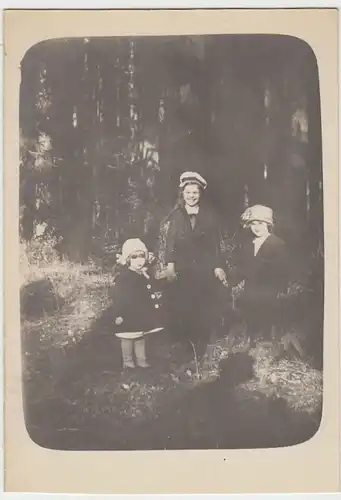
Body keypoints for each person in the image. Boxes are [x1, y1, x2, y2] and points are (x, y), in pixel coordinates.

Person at [160, 171, 228, 358]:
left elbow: (215, 243)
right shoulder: (177, 215)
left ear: (200, 194)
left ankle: (202, 342)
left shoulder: (208, 215)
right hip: (182, 268)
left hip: (203, 268)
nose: (191, 196)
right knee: (183, 304)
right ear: (182, 194)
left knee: (202, 304)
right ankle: (185, 343)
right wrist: (170, 266)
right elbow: (170, 242)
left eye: (195, 193)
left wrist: (217, 266)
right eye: (188, 193)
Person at [231, 204, 289, 348]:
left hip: (269, 287)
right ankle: (250, 338)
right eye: (253, 224)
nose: (256, 227)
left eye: (260, 224)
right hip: (251, 286)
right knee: (250, 309)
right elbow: (243, 267)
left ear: (268, 225)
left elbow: (282, 269)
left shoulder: (277, 244)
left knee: (267, 311)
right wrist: (232, 280)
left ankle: (268, 339)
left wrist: (282, 289)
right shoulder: (249, 244)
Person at [110, 238, 164, 369]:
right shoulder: (124, 277)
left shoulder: (144, 274)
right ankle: (127, 361)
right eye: (134, 257)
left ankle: (141, 359)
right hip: (128, 313)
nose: (139, 260)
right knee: (128, 338)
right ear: (128, 259)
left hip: (141, 313)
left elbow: (149, 288)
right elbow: (118, 296)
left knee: (141, 337)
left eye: (141, 256)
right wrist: (118, 313)